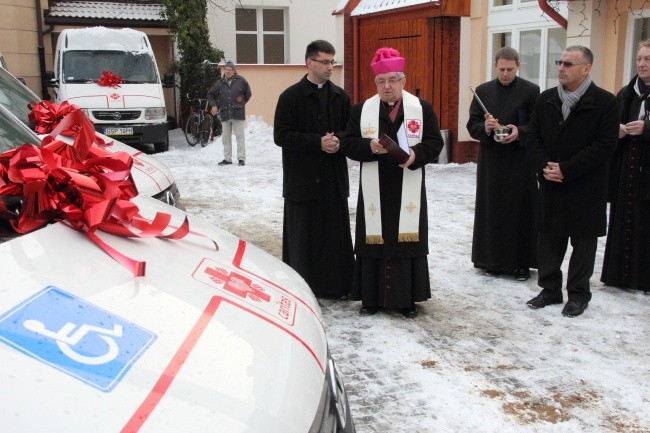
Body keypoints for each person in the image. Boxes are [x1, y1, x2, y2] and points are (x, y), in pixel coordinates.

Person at [341, 47, 444, 318]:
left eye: (393, 80)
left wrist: (415, 155)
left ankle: (405, 299)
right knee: (374, 237)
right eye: (381, 81)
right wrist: (368, 147)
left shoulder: (421, 109)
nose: (387, 86)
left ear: (403, 81)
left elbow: (435, 142)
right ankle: (370, 298)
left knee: (405, 241)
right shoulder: (362, 110)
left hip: (406, 182)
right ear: (375, 83)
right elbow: (349, 143)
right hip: (374, 184)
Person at [525, 46, 618, 317]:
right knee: (549, 239)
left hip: (586, 185)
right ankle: (550, 288)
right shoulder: (546, 100)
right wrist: (545, 166)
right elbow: (532, 137)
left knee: (584, 241)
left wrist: (567, 169)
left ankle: (578, 294)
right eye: (559, 62)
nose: (561, 68)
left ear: (586, 68)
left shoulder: (605, 102)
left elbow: (605, 145)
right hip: (551, 181)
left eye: (568, 63)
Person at [273, 40, 354, 299]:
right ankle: (302, 288)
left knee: (333, 237)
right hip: (302, 181)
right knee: (303, 239)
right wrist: (316, 142)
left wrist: (338, 140)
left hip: (332, 179)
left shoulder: (340, 96)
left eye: (333, 61)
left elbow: (350, 130)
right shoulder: (290, 97)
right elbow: (281, 135)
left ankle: (335, 287)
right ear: (310, 63)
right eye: (326, 62)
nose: (331, 67)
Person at [466, 47, 539, 281]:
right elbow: (472, 124)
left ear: (518, 65)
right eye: (501, 69)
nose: (505, 74)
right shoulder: (483, 91)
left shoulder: (531, 91)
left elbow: (537, 126)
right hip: (492, 161)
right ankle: (491, 260)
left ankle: (520, 263)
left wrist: (520, 131)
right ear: (495, 66)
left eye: (510, 69)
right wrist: (485, 129)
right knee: (492, 209)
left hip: (520, 161)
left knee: (520, 210)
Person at [601, 39, 650, 294]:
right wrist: (616, 131)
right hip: (626, 170)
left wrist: (647, 129)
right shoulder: (626, 93)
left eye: (648, 59)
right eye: (639, 59)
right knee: (624, 221)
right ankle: (619, 275)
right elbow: (609, 124)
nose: (642, 64)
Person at [208, 60, 252, 166]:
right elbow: (210, 94)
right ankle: (227, 159)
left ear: (234, 70)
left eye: (229, 69)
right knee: (225, 138)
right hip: (225, 113)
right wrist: (214, 105)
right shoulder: (219, 83)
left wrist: (241, 103)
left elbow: (248, 94)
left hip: (237, 113)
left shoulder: (241, 80)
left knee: (239, 137)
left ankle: (241, 159)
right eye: (226, 69)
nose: (227, 71)